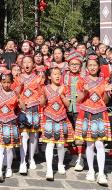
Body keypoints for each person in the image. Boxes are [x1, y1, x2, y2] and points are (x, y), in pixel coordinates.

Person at [75, 55, 111, 186]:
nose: (92, 67)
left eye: (94, 65)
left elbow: (105, 101)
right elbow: (78, 100)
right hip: (86, 113)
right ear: (87, 67)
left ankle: (101, 173)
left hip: (100, 113)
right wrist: (84, 92)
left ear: (99, 66)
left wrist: (107, 92)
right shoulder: (82, 80)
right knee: (89, 144)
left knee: (100, 144)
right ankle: (90, 170)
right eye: (90, 65)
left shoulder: (104, 80)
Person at [0, 72, 22, 182]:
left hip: (11, 123)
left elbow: (22, 107)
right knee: (0, 147)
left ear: (12, 83)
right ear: (0, 82)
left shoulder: (15, 94)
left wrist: (20, 98)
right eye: (4, 82)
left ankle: (9, 168)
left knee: (9, 148)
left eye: (8, 82)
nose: (6, 84)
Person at [40, 67, 74, 181]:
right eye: (55, 74)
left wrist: (62, 96)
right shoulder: (45, 88)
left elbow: (68, 104)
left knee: (60, 144)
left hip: (61, 117)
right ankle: (49, 168)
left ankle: (60, 164)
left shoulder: (65, 88)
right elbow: (42, 104)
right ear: (49, 77)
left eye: (59, 74)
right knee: (50, 144)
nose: (58, 76)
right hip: (49, 118)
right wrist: (44, 97)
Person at [15, 55, 44, 174]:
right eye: (24, 62)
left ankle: (31, 158)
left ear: (33, 64)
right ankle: (23, 161)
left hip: (35, 109)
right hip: (23, 109)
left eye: (29, 62)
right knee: (24, 136)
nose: (27, 64)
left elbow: (42, 94)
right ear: (21, 65)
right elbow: (15, 93)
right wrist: (20, 87)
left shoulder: (38, 78)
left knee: (34, 136)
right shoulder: (17, 78)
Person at [63, 51, 86, 171]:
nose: (74, 66)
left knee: (80, 134)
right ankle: (73, 155)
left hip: (79, 109)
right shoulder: (64, 77)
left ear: (81, 65)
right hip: (67, 108)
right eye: (72, 64)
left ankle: (81, 157)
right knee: (69, 133)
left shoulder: (84, 77)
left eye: (77, 64)